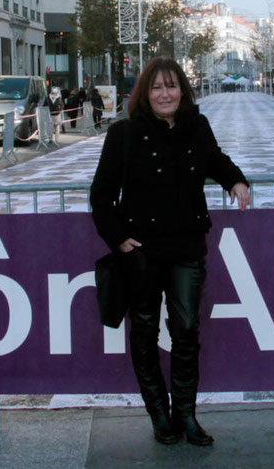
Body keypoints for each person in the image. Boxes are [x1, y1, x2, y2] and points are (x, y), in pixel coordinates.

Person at [90, 57, 250, 447]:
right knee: (144, 330)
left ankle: (186, 415)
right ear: (145, 94)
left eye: (172, 86)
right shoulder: (124, 134)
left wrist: (236, 180)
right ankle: (159, 414)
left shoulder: (197, 127)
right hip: (141, 250)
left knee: (186, 331)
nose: (166, 94)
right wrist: (119, 239)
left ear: (183, 89)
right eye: (157, 87)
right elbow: (102, 193)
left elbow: (215, 160)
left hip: (187, 245)